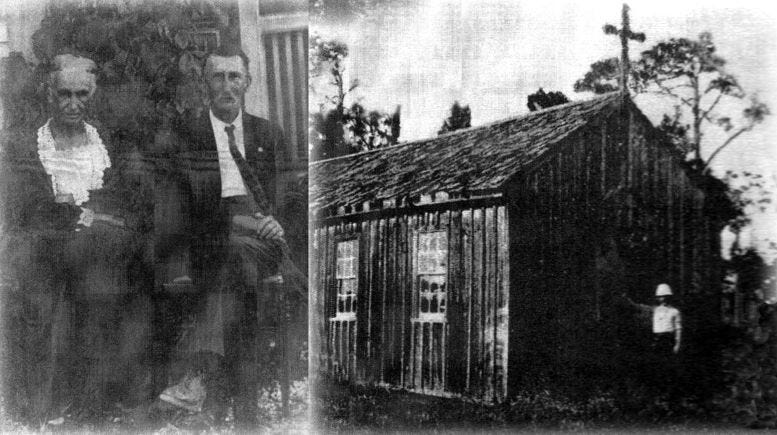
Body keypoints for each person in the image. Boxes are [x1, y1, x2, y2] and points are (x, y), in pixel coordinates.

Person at [1, 53, 154, 420]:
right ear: (50, 94)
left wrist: (81, 210)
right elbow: (25, 206)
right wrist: (74, 213)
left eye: (81, 94)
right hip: (48, 242)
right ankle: (85, 399)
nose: (73, 104)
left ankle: (108, 393)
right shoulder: (27, 144)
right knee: (91, 269)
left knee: (116, 260)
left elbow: (125, 195)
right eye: (64, 94)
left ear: (92, 94)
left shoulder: (106, 141)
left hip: (102, 241)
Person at [157, 44, 288, 423]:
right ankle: (245, 417)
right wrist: (233, 224)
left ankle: (199, 376)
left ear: (247, 82)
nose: (226, 85)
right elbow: (177, 207)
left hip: (264, 238)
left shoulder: (269, 134)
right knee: (236, 269)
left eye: (234, 76)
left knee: (236, 259)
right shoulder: (185, 137)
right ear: (205, 84)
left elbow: (290, 197)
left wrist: (276, 221)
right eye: (218, 76)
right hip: (211, 239)